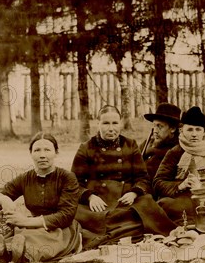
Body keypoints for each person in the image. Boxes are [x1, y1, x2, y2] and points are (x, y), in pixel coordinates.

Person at [71, 105, 176, 249]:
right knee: (76, 214)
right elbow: (74, 182)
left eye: (115, 123)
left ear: (120, 124)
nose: (111, 128)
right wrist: (90, 197)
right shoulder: (86, 148)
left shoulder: (130, 145)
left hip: (125, 198)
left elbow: (143, 178)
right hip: (98, 200)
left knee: (146, 203)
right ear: (98, 124)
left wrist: (133, 193)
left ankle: (121, 230)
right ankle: (123, 231)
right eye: (106, 123)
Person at [0, 132, 82, 263]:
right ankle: (5, 258)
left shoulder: (67, 178)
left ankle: (19, 258)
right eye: (37, 150)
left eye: (47, 150)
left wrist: (25, 221)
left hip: (60, 229)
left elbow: (66, 215)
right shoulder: (25, 178)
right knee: (22, 237)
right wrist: (3, 199)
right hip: (31, 227)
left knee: (35, 241)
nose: (42, 155)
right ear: (31, 153)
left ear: (56, 153)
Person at [139, 102, 181, 184]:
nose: (155, 131)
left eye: (160, 126)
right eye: (154, 126)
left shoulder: (176, 150)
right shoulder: (148, 143)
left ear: (172, 129)